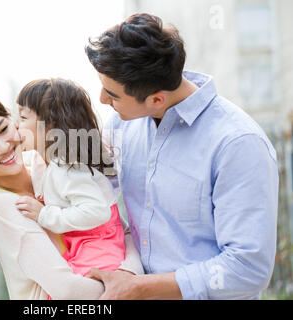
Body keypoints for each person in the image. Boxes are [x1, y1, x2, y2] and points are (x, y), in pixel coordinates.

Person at [84, 13, 279, 299]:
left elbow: (247, 268)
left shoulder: (237, 144)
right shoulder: (121, 124)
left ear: (156, 99)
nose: (102, 100)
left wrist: (139, 288)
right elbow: (97, 193)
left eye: (112, 94)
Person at [0, 90, 143, 300]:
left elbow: (119, 228)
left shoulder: (50, 165)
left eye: (4, 129)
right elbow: (68, 291)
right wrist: (133, 286)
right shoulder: (0, 206)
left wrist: (129, 275)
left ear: (13, 119)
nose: (3, 146)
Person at [14, 78, 128, 278]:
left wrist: (44, 215)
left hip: (98, 251)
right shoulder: (51, 163)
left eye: (23, 117)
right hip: (85, 246)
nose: (15, 125)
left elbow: (96, 211)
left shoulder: (66, 168)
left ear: (50, 124)